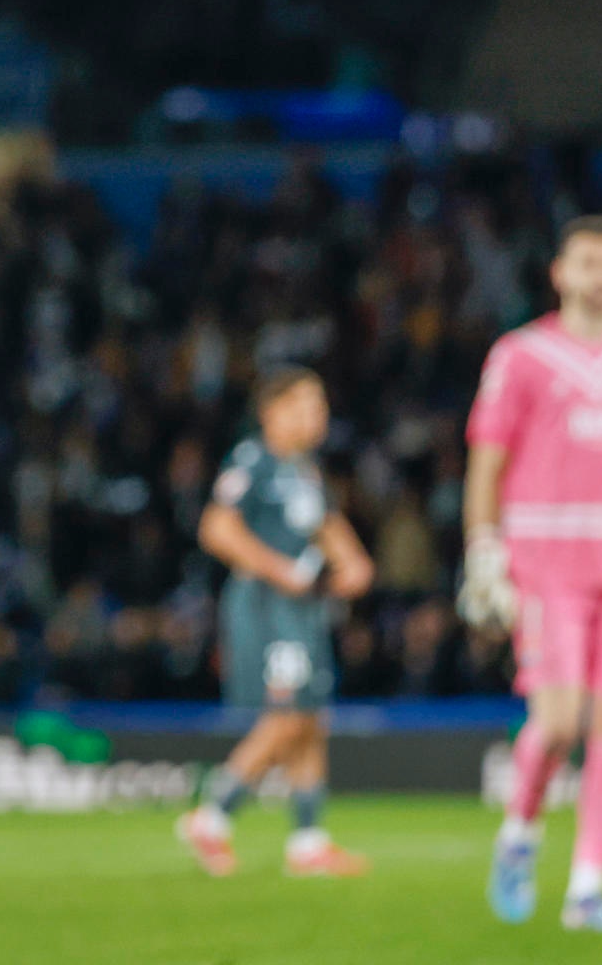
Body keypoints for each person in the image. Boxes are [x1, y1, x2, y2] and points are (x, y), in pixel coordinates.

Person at [462, 215, 602, 930]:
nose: (600, 275)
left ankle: (586, 891)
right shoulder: (520, 355)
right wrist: (483, 549)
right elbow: (487, 459)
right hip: (548, 556)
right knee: (556, 725)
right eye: (587, 261)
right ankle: (519, 836)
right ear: (558, 272)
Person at [176, 367, 374, 879]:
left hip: (303, 607)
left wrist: (353, 561)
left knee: (311, 717)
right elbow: (217, 528)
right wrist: (281, 570)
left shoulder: (304, 470)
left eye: (321, 406)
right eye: (306, 405)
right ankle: (212, 816)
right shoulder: (254, 461)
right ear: (273, 411)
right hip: (266, 603)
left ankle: (308, 844)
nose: (318, 416)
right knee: (287, 717)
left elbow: (325, 524)